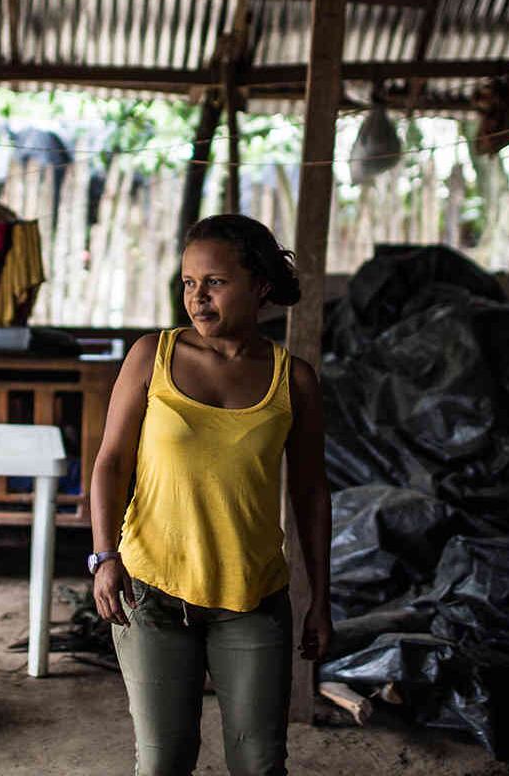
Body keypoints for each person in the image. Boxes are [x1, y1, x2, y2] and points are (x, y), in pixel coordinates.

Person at [88, 214, 332, 776]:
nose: (198, 298)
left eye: (215, 282)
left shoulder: (293, 380)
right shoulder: (153, 357)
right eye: (188, 283)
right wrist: (104, 556)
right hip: (151, 594)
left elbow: (312, 492)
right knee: (164, 762)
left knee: (259, 763)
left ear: (261, 286)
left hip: (251, 599)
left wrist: (320, 597)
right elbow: (110, 463)